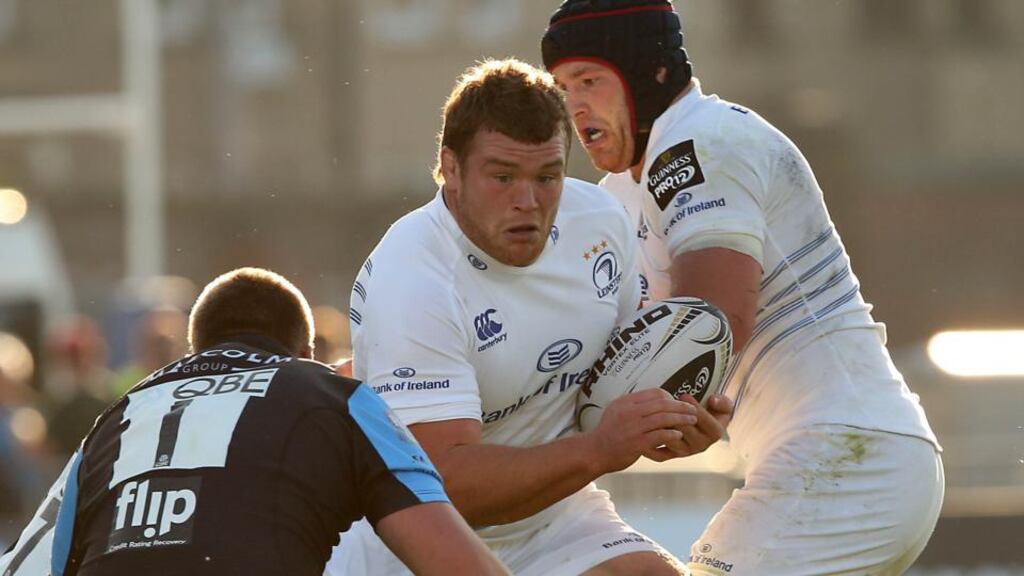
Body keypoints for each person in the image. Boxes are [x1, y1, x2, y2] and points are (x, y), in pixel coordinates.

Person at [542, 1, 944, 574]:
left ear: (652, 71)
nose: (574, 105)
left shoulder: (701, 142)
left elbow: (710, 326)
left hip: (853, 460)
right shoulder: (617, 194)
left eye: (589, 81)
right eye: (563, 87)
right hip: (832, 461)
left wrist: (674, 410)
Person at [326, 59, 732, 576]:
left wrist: (672, 419)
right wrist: (599, 449)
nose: (528, 201)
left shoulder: (600, 225)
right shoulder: (412, 280)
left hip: (556, 514)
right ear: (450, 168)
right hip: (420, 533)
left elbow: (621, 383)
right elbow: (442, 484)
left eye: (547, 176)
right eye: (502, 176)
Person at [0, 267, 508, 576]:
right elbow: (454, 563)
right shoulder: (333, 394)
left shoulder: (117, 416)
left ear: (195, 353)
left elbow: (28, 562)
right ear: (308, 353)